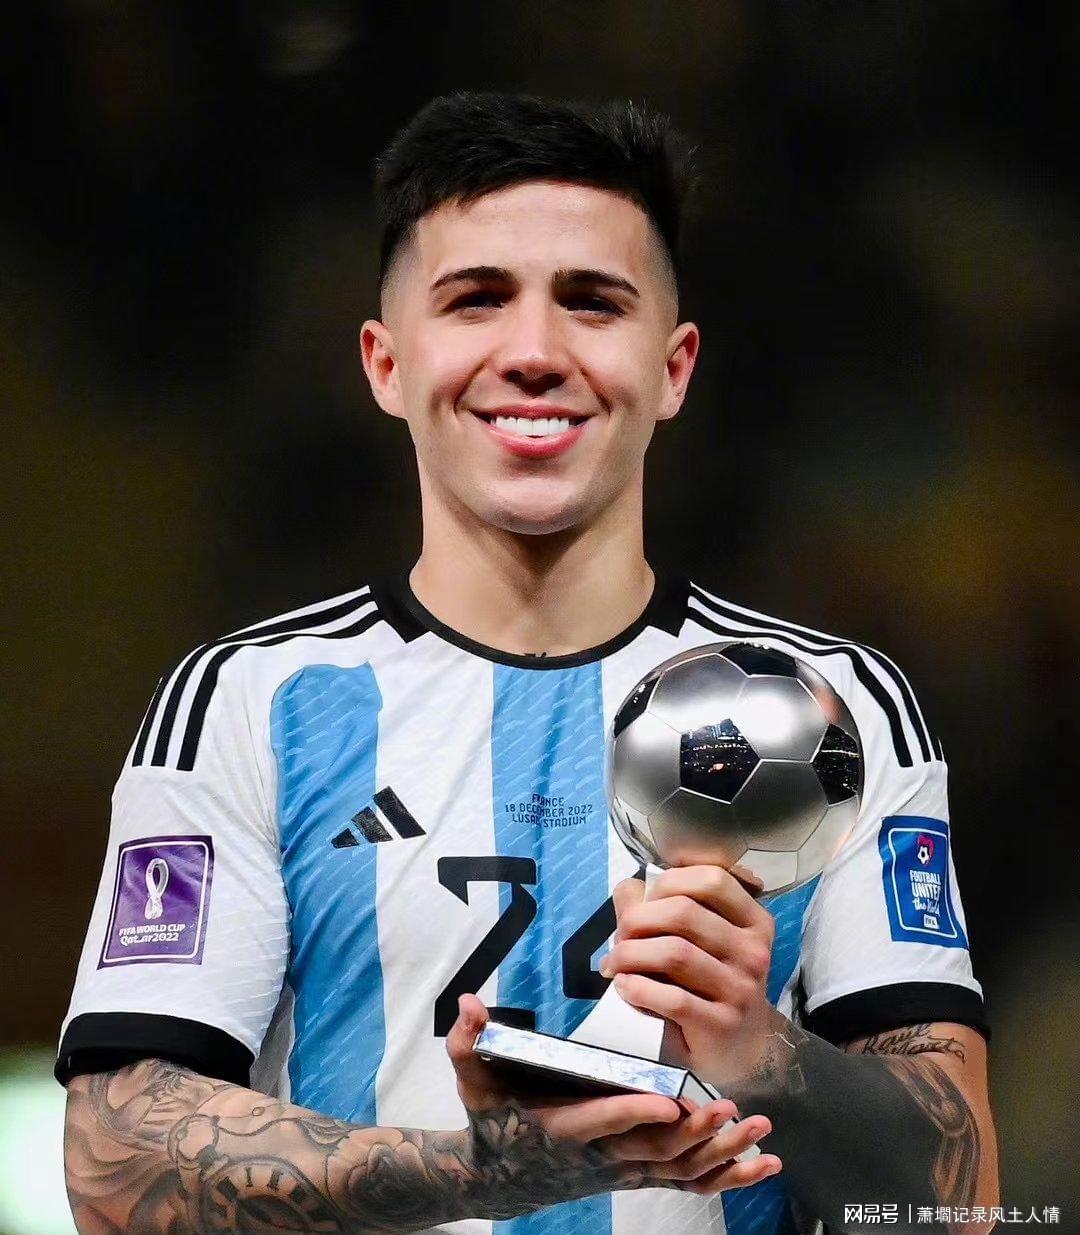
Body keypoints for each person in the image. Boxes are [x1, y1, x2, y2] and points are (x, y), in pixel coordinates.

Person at [57, 92, 998, 1235]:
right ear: (387, 364)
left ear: (675, 367)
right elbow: (113, 1168)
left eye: (593, 302)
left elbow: (963, 1207)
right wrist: (485, 1171)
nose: (537, 353)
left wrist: (760, 1050)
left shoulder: (835, 709)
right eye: (477, 298)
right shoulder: (247, 704)